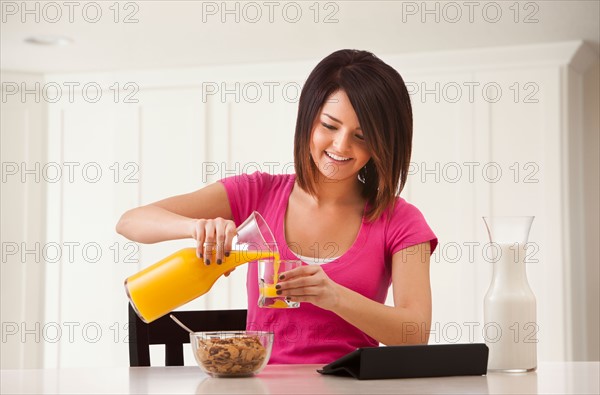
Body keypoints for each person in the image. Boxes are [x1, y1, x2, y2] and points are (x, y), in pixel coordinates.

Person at [116, 49, 437, 364]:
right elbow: (131, 222)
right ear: (309, 117)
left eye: (362, 135)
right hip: (260, 386)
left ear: (383, 143)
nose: (341, 146)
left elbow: (415, 332)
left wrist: (335, 297)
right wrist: (194, 227)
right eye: (329, 125)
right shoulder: (257, 193)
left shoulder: (400, 220)